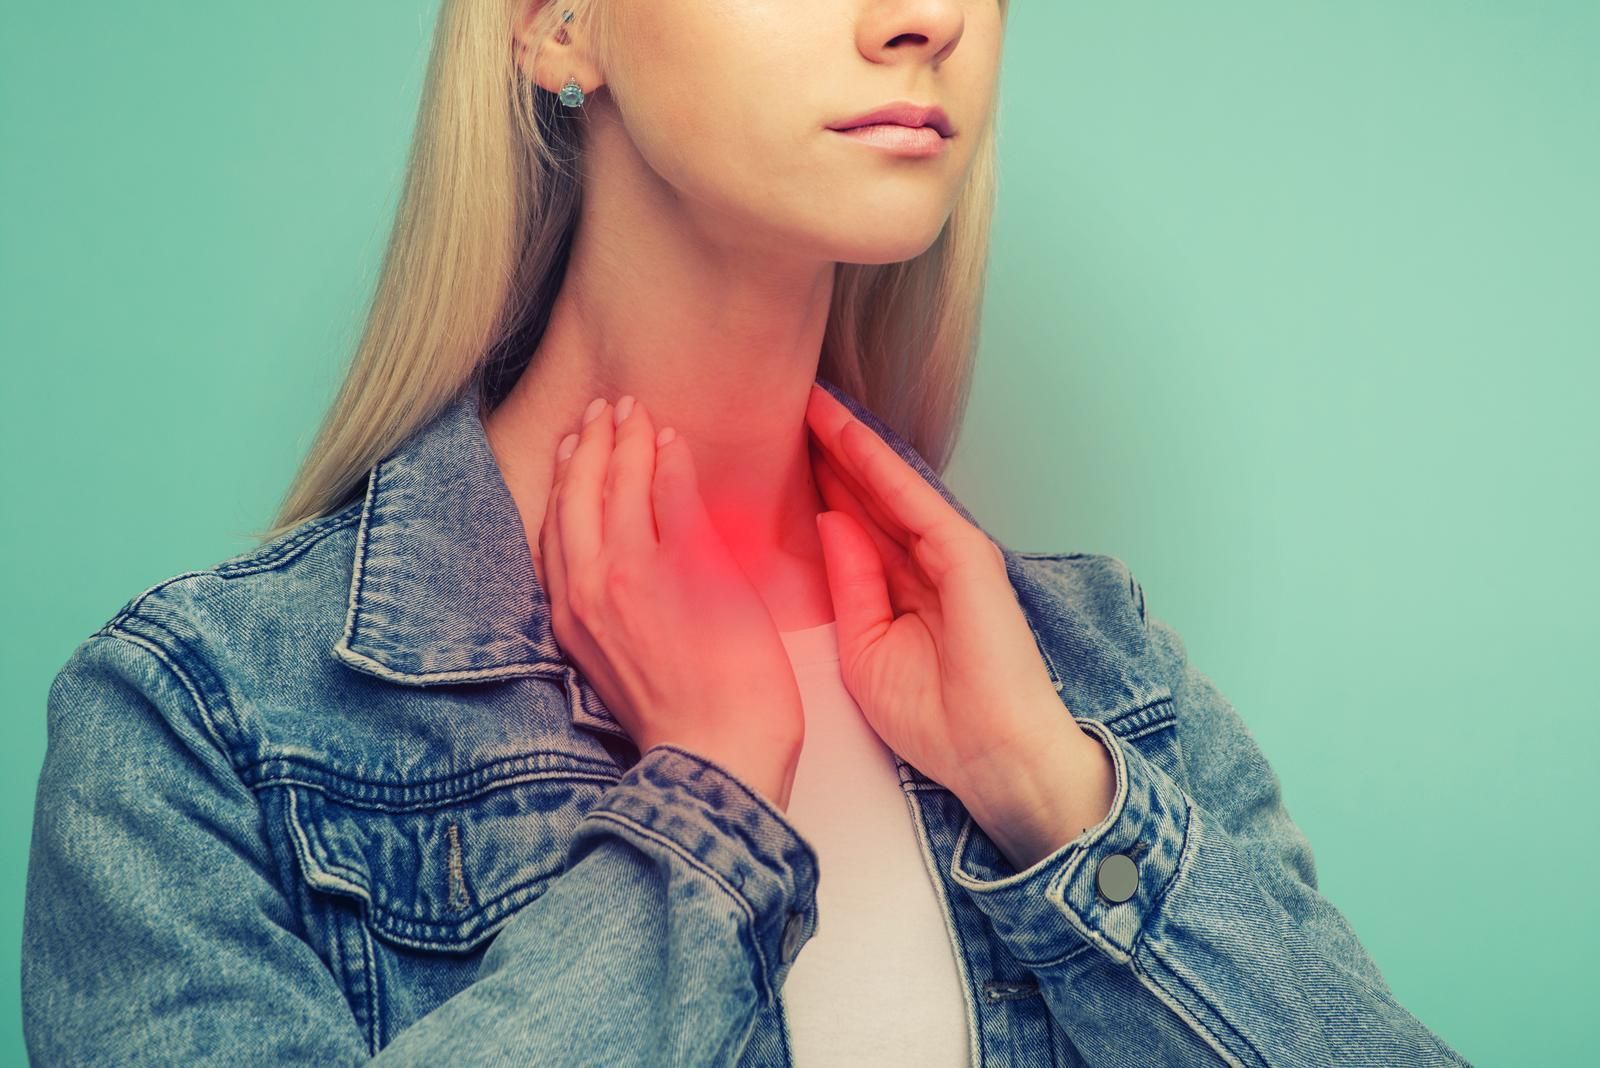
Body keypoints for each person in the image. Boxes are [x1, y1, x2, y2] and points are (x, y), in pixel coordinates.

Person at [21, 2, 1473, 1065]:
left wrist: (1064, 801)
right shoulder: (202, 726)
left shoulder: (1100, 683)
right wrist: (708, 800)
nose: (928, 21)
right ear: (554, 26)